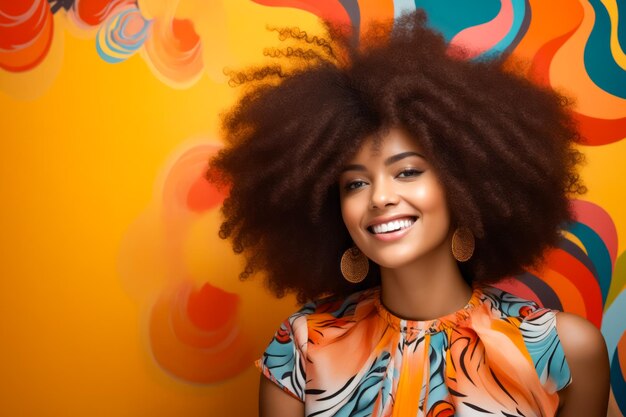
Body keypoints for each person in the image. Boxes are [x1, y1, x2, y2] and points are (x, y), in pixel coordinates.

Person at [208, 10, 610, 417]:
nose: (380, 197)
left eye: (408, 171)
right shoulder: (302, 345)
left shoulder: (562, 349)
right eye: (355, 183)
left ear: (465, 186)